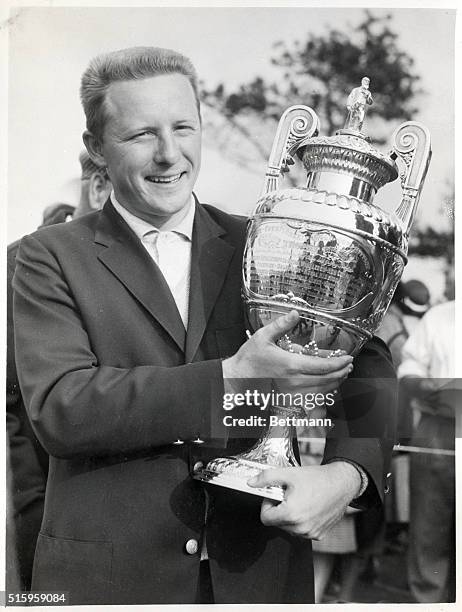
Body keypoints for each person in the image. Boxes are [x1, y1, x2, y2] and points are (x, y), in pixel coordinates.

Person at [13, 46, 395, 605]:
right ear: (96, 149)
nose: (169, 154)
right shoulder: (45, 256)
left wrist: (347, 477)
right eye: (141, 134)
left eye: (183, 127)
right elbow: (60, 407)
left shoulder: (268, 239)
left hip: (259, 576)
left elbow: (370, 363)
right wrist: (231, 379)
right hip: (111, 582)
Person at [6, 151, 111, 591]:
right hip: (42, 514)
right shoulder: (24, 262)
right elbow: (12, 407)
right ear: (99, 187)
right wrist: (30, 514)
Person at [398, 270, 455, 603]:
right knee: (429, 530)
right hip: (439, 429)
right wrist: (422, 384)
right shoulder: (439, 317)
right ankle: (427, 602)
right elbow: (409, 368)